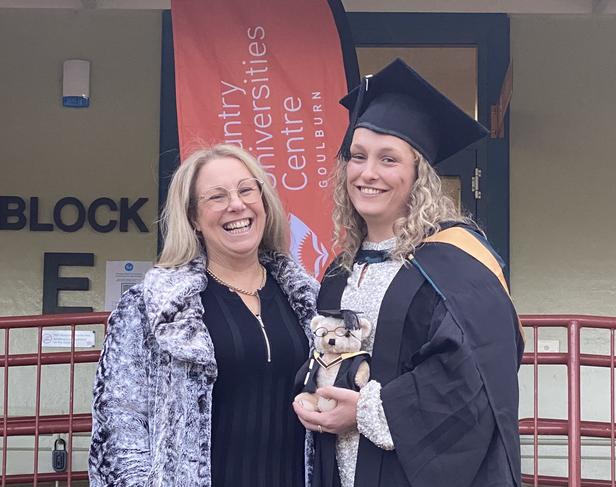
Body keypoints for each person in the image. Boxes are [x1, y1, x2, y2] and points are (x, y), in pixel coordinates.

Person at [293, 58, 524, 487]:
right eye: (357, 157)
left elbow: (470, 380)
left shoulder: (456, 261)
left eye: (389, 159)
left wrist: (364, 412)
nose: (368, 173)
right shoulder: (340, 270)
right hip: (340, 467)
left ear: (419, 174)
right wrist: (309, 392)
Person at [89, 144, 318, 487]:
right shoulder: (151, 307)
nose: (236, 205)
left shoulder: (309, 301)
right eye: (217, 197)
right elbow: (119, 424)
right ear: (194, 218)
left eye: (246, 190)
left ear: (264, 201)